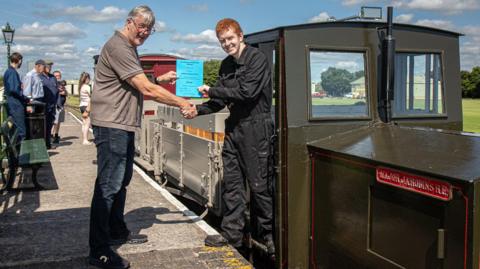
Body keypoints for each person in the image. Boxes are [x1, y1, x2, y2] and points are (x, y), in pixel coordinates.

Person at [88, 5, 193, 269]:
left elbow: (131, 78)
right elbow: (144, 88)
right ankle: (98, 249)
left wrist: (158, 76)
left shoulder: (127, 47)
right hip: (112, 124)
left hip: (121, 124)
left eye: (149, 29)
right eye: (141, 26)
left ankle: (116, 231)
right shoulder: (119, 46)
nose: (145, 32)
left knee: (121, 180)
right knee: (108, 185)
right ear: (129, 22)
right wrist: (181, 102)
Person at [182, 18, 275, 256]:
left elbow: (247, 92)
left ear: (240, 36)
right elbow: (219, 101)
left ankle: (268, 236)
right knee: (232, 185)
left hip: (256, 127)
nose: (227, 44)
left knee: (259, 185)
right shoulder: (226, 65)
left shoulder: (257, 59)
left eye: (230, 39)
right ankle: (232, 235)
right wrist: (198, 110)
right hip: (234, 128)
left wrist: (211, 89)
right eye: (222, 41)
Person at [3, 52, 28, 140]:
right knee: (21, 131)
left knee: (16, 131)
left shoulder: (9, 72)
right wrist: (25, 98)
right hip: (16, 105)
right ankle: (20, 153)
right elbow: (14, 90)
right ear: (19, 61)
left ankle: (16, 153)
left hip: (13, 104)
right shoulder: (12, 72)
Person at [40, 60, 59, 149]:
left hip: (52, 105)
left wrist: (58, 102)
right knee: (42, 126)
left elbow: (57, 90)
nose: (49, 68)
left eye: (50, 66)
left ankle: (47, 143)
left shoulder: (53, 77)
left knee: (49, 125)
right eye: (47, 66)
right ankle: (42, 144)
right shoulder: (39, 77)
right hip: (43, 105)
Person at [52, 70, 67, 143]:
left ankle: (56, 135)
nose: (58, 77)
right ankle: (53, 135)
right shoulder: (53, 84)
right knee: (55, 122)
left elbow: (65, 93)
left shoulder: (61, 84)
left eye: (59, 76)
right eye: (56, 76)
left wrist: (64, 92)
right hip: (56, 105)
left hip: (61, 105)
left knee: (58, 122)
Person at [78, 72, 92, 145]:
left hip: (82, 106)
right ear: (87, 79)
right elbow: (92, 97)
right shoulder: (87, 87)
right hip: (87, 106)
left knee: (84, 123)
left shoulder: (81, 86)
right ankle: (85, 140)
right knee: (87, 124)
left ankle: (84, 138)